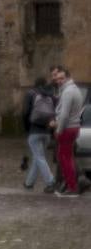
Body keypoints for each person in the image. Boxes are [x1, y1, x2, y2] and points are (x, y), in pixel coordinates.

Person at [50, 65, 84, 198]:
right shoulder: (74, 89)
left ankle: (72, 187)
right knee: (66, 157)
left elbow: (64, 115)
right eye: (57, 79)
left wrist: (58, 129)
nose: (59, 81)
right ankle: (71, 186)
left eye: (62, 78)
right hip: (73, 127)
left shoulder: (68, 91)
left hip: (67, 128)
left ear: (68, 77)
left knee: (65, 158)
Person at [22, 76, 58, 192]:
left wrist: (27, 129)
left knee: (39, 157)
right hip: (47, 132)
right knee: (37, 157)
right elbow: (55, 113)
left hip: (34, 132)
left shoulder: (31, 94)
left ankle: (51, 181)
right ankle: (29, 183)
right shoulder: (50, 95)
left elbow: (26, 113)